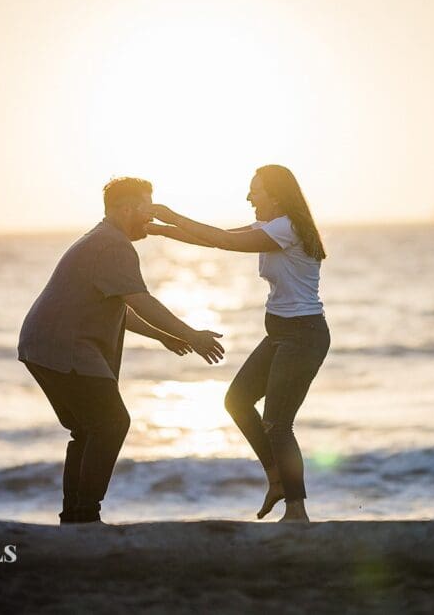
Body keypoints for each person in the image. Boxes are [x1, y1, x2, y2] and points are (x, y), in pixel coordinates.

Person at [18, 177, 225, 524]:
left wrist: (162, 336)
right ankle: (86, 515)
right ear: (126, 208)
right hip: (65, 347)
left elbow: (118, 304)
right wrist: (193, 334)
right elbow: (140, 300)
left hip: (42, 345)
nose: (151, 218)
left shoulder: (101, 239)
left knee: (88, 429)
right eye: (146, 208)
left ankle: (75, 516)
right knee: (112, 423)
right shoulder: (113, 246)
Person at [149, 165, 329, 522]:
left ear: (275, 195)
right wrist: (158, 230)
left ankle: (297, 510)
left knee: (278, 423)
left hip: (303, 336)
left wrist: (170, 215)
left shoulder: (286, 228)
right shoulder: (270, 227)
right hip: (281, 335)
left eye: (254, 191)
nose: (249, 198)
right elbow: (211, 237)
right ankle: (277, 479)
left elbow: (224, 241)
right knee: (237, 400)